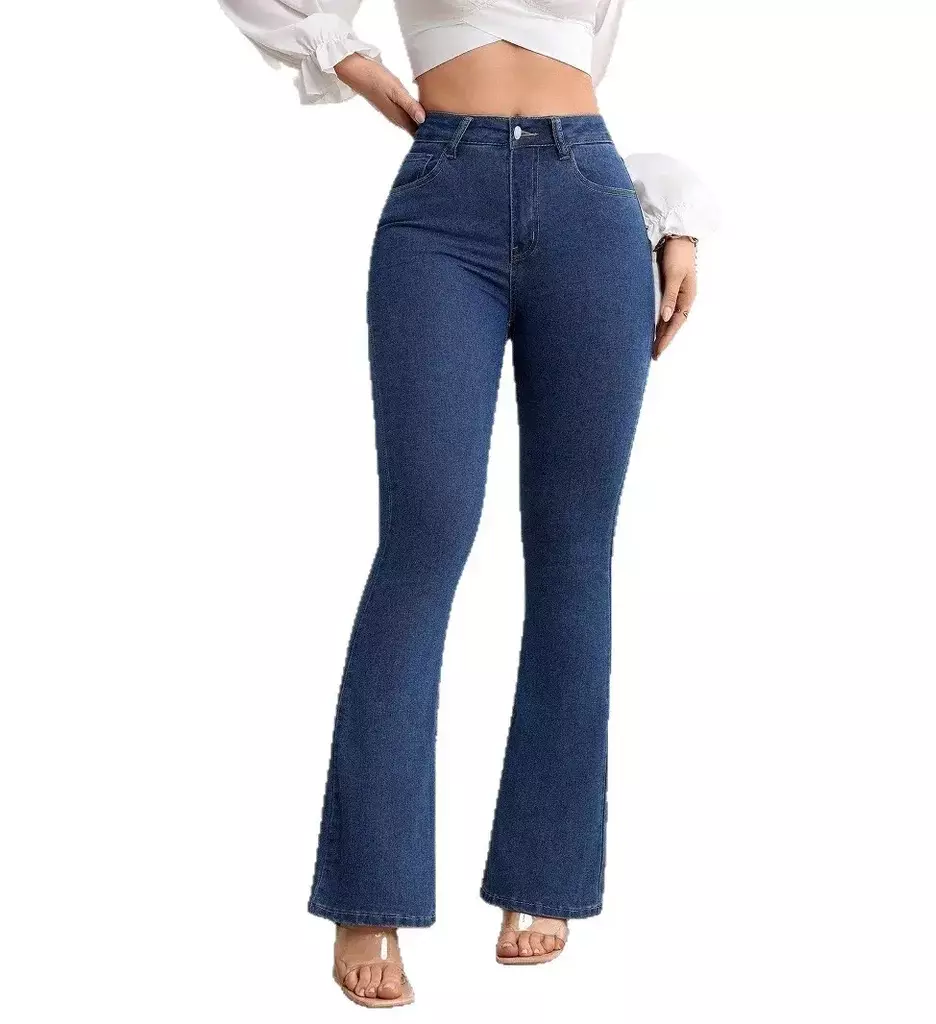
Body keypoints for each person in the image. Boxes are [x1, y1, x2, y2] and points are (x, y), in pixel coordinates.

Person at [219, 0, 718, 1008]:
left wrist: (676, 217)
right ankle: (370, 892)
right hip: (441, 204)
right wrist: (346, 59)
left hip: (591, 200)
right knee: (422, 543)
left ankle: (544, 872)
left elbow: (591, 62)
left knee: (575, 554)